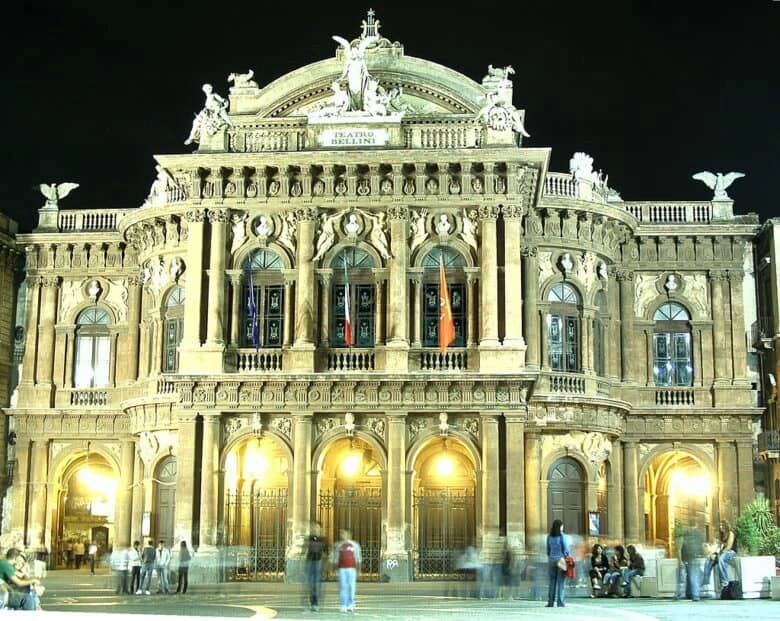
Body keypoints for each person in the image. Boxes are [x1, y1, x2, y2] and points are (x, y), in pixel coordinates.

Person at [332, 528, 362, 613]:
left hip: (351, 569)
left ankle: (351, 604)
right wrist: (334, 569)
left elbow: (358, 558)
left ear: (349, 534)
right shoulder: (338, 545)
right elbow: (335, 558)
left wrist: (359, 570)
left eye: (344, 533)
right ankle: (343, 604)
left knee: (351, 587)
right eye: (341, 534)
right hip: (342, 569)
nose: (342, 535)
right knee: (343, 587)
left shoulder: (355, 545)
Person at [702, 520, 738, 588]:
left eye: (722, 526)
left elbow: (729, 547)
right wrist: (715, 554)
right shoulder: (721, 535)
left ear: (726, 526)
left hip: (731, 551)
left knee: (721, 559)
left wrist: (720, 554)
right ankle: (706, 582)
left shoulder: (731, 533)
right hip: (723, 551)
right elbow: (719, 547)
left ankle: (724, 581)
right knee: (709, 560)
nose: (721, 527)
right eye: (720, 526)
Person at [545, 518, 571, 608]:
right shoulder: (562, 536)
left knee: (552, 581)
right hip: (561, 560)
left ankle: (550, 602)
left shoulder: (549, 536)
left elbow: (548, 549)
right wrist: (567, 557)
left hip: (551, 559)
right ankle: (560, 602)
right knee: (561, 582)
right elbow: (566, 549)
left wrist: (550, 555)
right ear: (560, 526)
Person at [678, 523, 705, 601]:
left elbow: (682, 547)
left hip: (689, 557)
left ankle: (691, 594)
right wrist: (702, 554)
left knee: (690, 576)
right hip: (696, 556)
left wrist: (682, 559)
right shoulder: (698, 534)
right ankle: (694, 594)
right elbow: (702, 545)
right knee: (694, 576)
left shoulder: (686, 535)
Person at [304, 521, 327, 611]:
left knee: (316, 585)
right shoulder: (309, 538)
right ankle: (312, 602)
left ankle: (315, 603)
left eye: (316, 527)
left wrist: (325, 567)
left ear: (320, 529)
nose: (314, 529)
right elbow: (305, 550)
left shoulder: (323, 539)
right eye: (313, 527)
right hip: (310, 562)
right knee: (311, 584)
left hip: (318, 563)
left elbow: (326, 553)